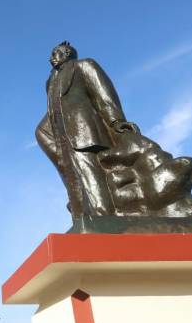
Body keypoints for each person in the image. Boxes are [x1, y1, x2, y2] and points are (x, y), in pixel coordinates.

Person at [35, 41, 135, 217]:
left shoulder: (84, 65)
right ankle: (81, 213)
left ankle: (104, 216)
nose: (51, 57)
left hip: (82, 131)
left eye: (55, 53)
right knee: (72, 175)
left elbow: (103, 93)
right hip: (61, 135)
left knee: (90, 173)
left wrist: (116, 121)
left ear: (66, 54)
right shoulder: (50, 81)